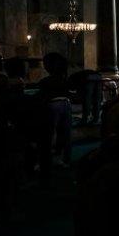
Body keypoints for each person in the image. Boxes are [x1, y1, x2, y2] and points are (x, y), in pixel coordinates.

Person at [37, 52, 73, 181]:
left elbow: (42, 97)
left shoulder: (45, 82)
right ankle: (64, 159)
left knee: (49, 134)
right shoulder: (64, 80)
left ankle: (46, 162)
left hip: (53, 105)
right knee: (65, 133)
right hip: (66, 103)